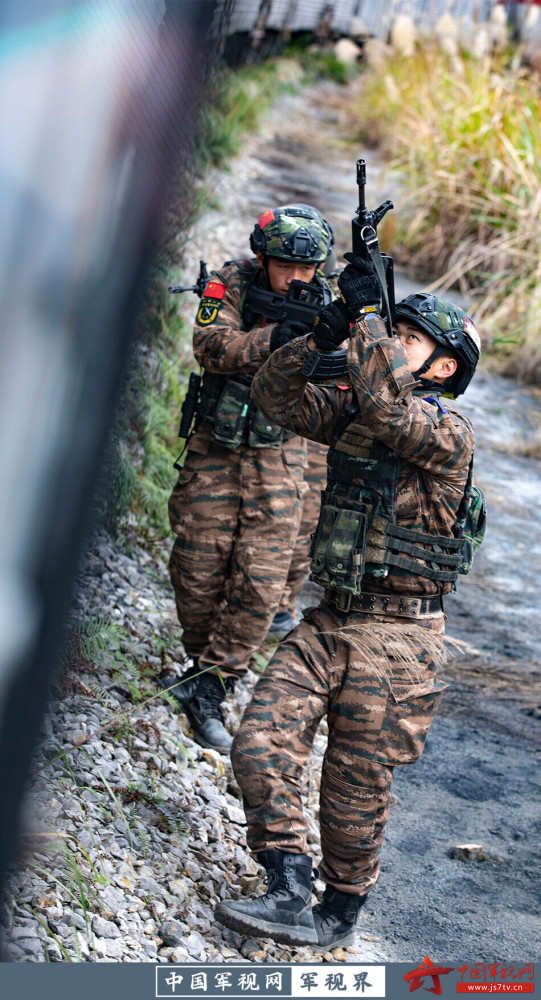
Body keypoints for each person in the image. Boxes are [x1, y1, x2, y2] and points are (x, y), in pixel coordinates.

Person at [215, 258, 481, 951]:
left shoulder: (446, 432)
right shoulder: (359, 409)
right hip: (330, 618)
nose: (392, 341)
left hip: (398, 641)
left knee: (352, 789)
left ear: (445, 370)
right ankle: (286, 884)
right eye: (391, 330)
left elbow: (393, 409)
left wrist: (366, 323)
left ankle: (338, 911)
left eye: (409, 338)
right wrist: (319, 334)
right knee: (258, 741)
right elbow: (275, 397)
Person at [166, 204, 335, 753]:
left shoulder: (329, 301)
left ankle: (213, 686)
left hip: (282, 455)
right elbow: (212, 348)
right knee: (196, 564)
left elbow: (357, 368)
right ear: (262, 257)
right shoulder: (230, 282)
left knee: (261, 579)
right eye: (286, 266)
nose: (298, 279)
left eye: (309, 269)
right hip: (216, 446)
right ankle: (199, 662)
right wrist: (277, 338)